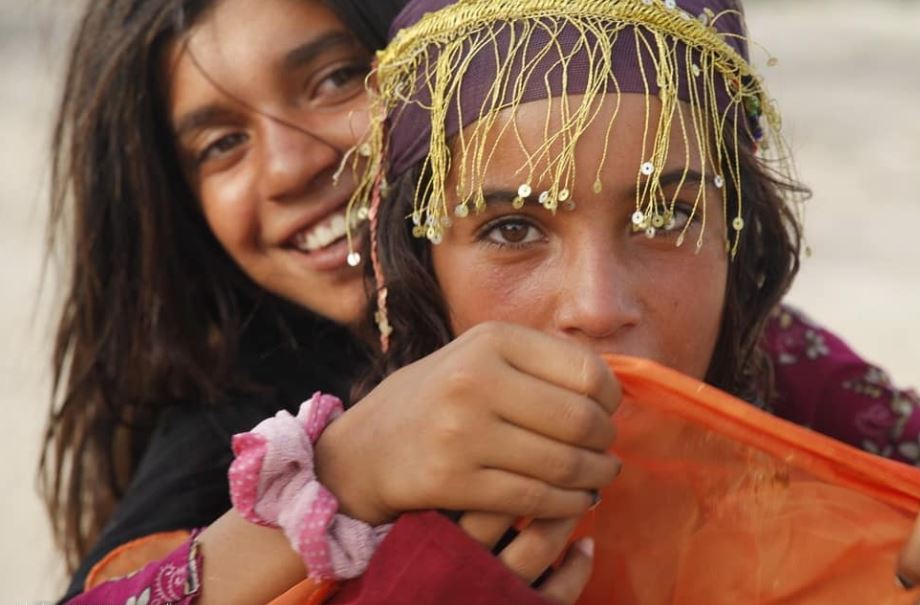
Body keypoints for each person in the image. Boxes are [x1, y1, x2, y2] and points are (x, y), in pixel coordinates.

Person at [45, 0, 920, 602]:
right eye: (510, 226)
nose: (595, 304)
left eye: (336, 79)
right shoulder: (248, 438)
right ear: (410, 248)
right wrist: (339, 481)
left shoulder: (765, 351)